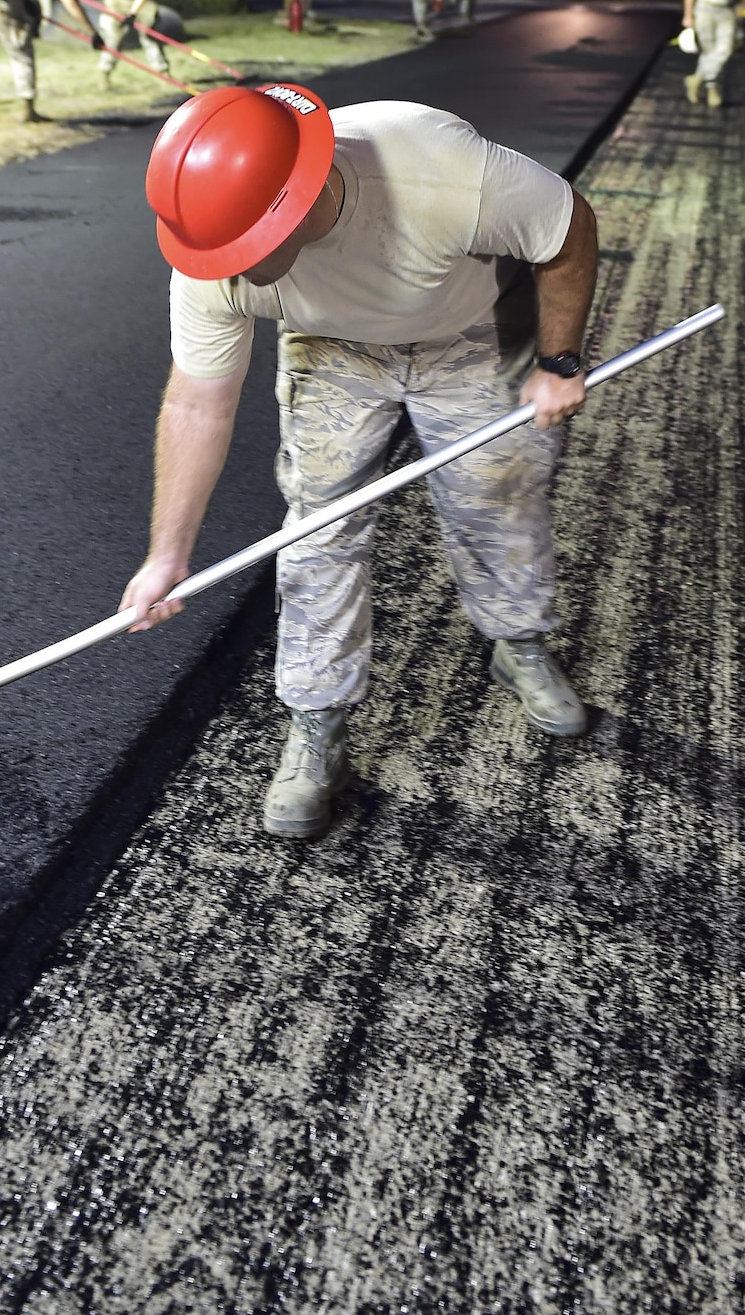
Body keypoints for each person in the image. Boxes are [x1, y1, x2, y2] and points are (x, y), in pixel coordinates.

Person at [119, 82, 598, 841]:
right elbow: (195, 404)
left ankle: (519, 643)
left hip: (467, 330)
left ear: (297, 199)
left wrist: (559, 359)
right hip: (334, 346)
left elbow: (569, 232)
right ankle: (317, 724)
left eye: (246, 246)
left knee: (496, 492)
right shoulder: (211, 253)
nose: (230, 267)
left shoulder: (441, 171)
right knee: (319, 525)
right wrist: (166, 556)